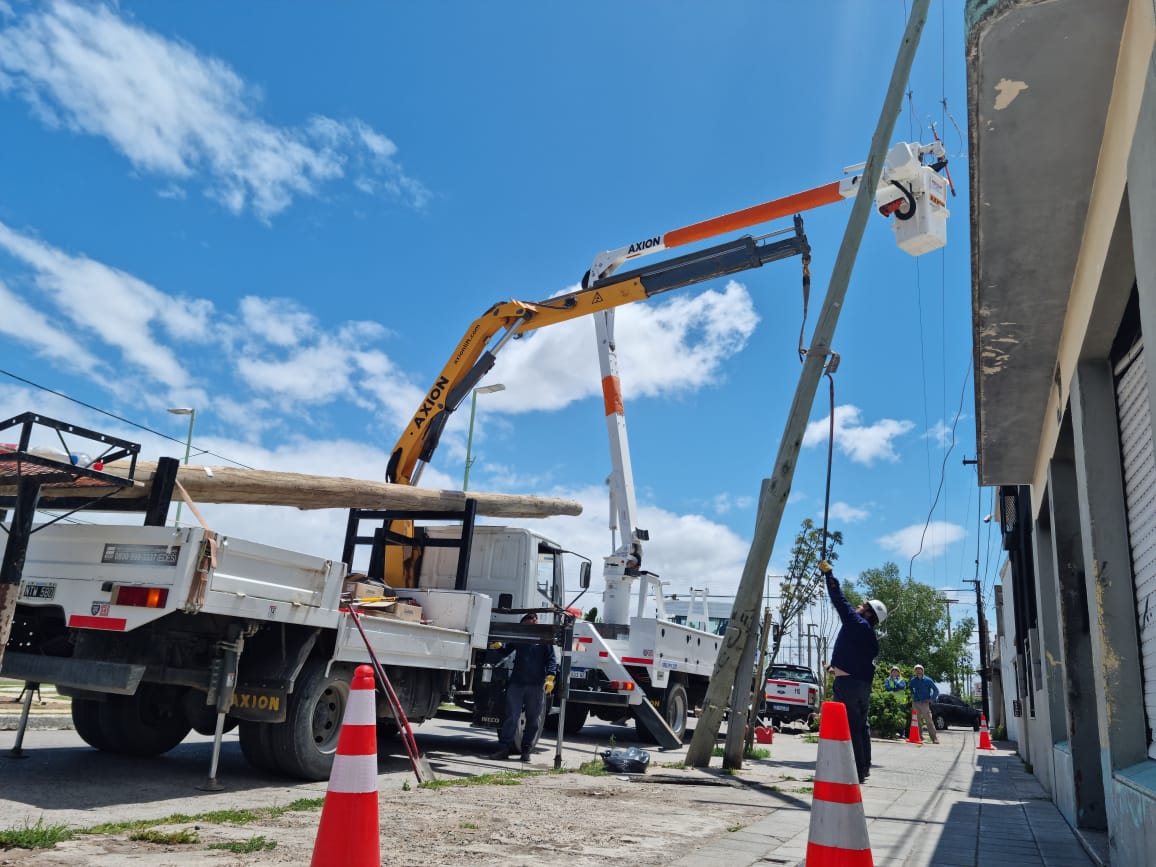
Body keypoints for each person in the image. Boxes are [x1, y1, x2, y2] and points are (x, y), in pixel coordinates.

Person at [819, 558, 888, 784]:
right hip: (858, 684)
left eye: (863, 606)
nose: (859, 606)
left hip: (849, 686)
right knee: (861, 726)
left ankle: (856, 772)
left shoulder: (858, 624)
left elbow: (839, 600)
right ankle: (863, 768)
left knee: (852, 727)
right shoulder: (866, 634)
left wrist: (829, 576)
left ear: (868, 614)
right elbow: (855, 659)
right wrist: (834, 668)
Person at [490, 612, 557, 761]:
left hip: (536, 685)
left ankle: (526, 750)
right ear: (524, 623)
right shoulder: (519, 637)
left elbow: (551, 660)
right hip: (517, 684)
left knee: (533, 720)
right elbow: (506, 649)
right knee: (511, 718)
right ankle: (503, 749)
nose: (533, 622)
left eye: (534, 621)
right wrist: (499, 646)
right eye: (529, 621)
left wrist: (551, 677)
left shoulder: (544, 639)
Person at [908, 663, 940, 744]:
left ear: (922, 671)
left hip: (925, 702)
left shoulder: (928, 680)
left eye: (920, 669)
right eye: (917, 669)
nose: (918, 671)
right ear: (915, 671)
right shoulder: (913, 680)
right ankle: (919, 737)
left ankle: (934, 738)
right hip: (915, 702)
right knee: (916, 721)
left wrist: (931, 699)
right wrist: (913, 693)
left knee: (928, 720)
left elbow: (936, 690)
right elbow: (910, 687)